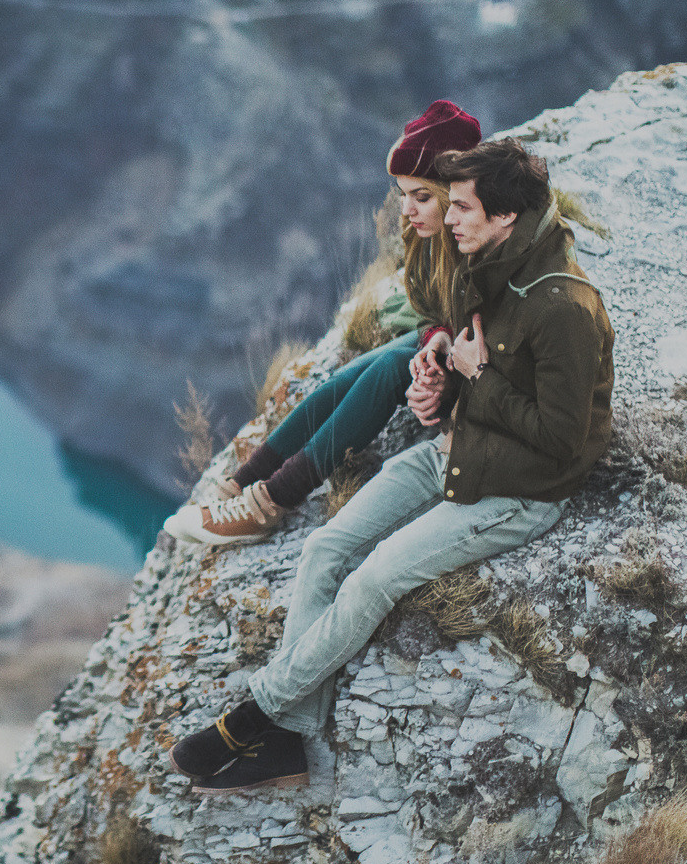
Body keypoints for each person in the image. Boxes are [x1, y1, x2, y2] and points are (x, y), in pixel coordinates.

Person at [166, 138, 614, 794]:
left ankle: (254, 716)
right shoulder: (475, 268)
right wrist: (439, 389)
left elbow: (561, 440)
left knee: (373, 578)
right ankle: (289, 743)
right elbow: (462, 372)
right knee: (324, 549)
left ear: (506, 218)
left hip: (524, 488)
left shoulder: (566, 308)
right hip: (455, 452)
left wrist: (478, 375)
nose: (448, 217)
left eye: (463, 206)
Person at [164, 99, 481, 546]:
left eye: (422, 196)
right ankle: (239, 485)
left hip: (483, 386)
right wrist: (436, 338)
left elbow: (490, 351)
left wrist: (441, 376)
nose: (407, 210)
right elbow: (437, 311)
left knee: (389, 371)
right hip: (450, 353)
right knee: (343, 380)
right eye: (403, 195)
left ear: (456, 191)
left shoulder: (480, 242)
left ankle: (269, 503)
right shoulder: (433, 235)